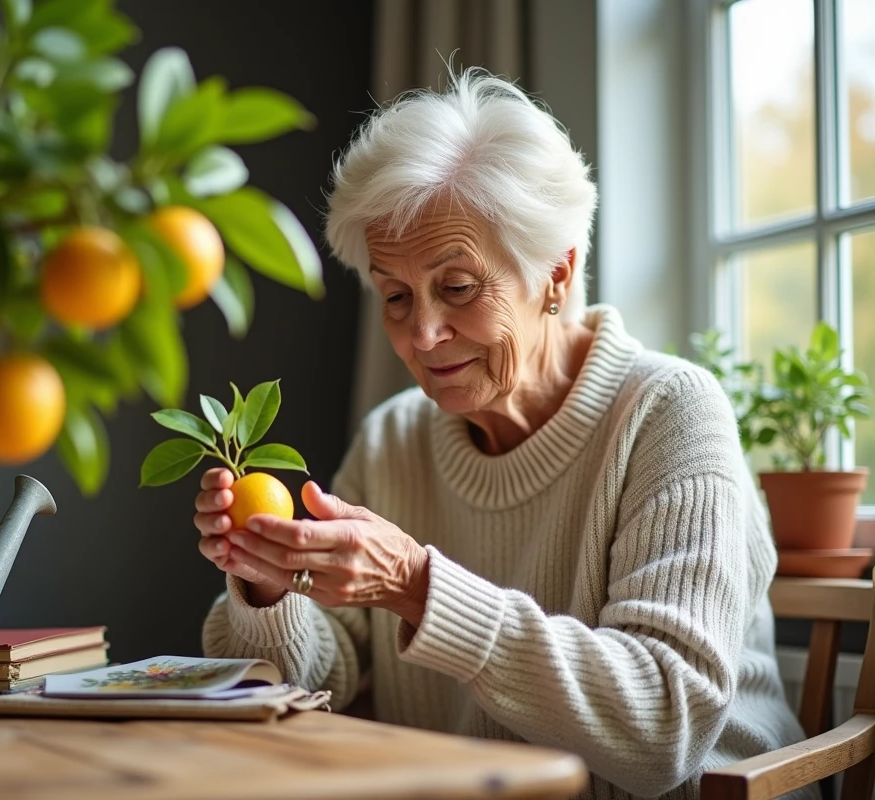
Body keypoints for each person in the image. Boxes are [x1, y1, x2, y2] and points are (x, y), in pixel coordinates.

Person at [194, 69, 811, 799]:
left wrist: (419, 588)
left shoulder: (669, 412)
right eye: (395, 296)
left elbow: (662, 729)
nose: (422, 333)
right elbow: (322, 675)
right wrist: (271, 592)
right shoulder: (393, 439)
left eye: (457, 287)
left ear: (556, 273)